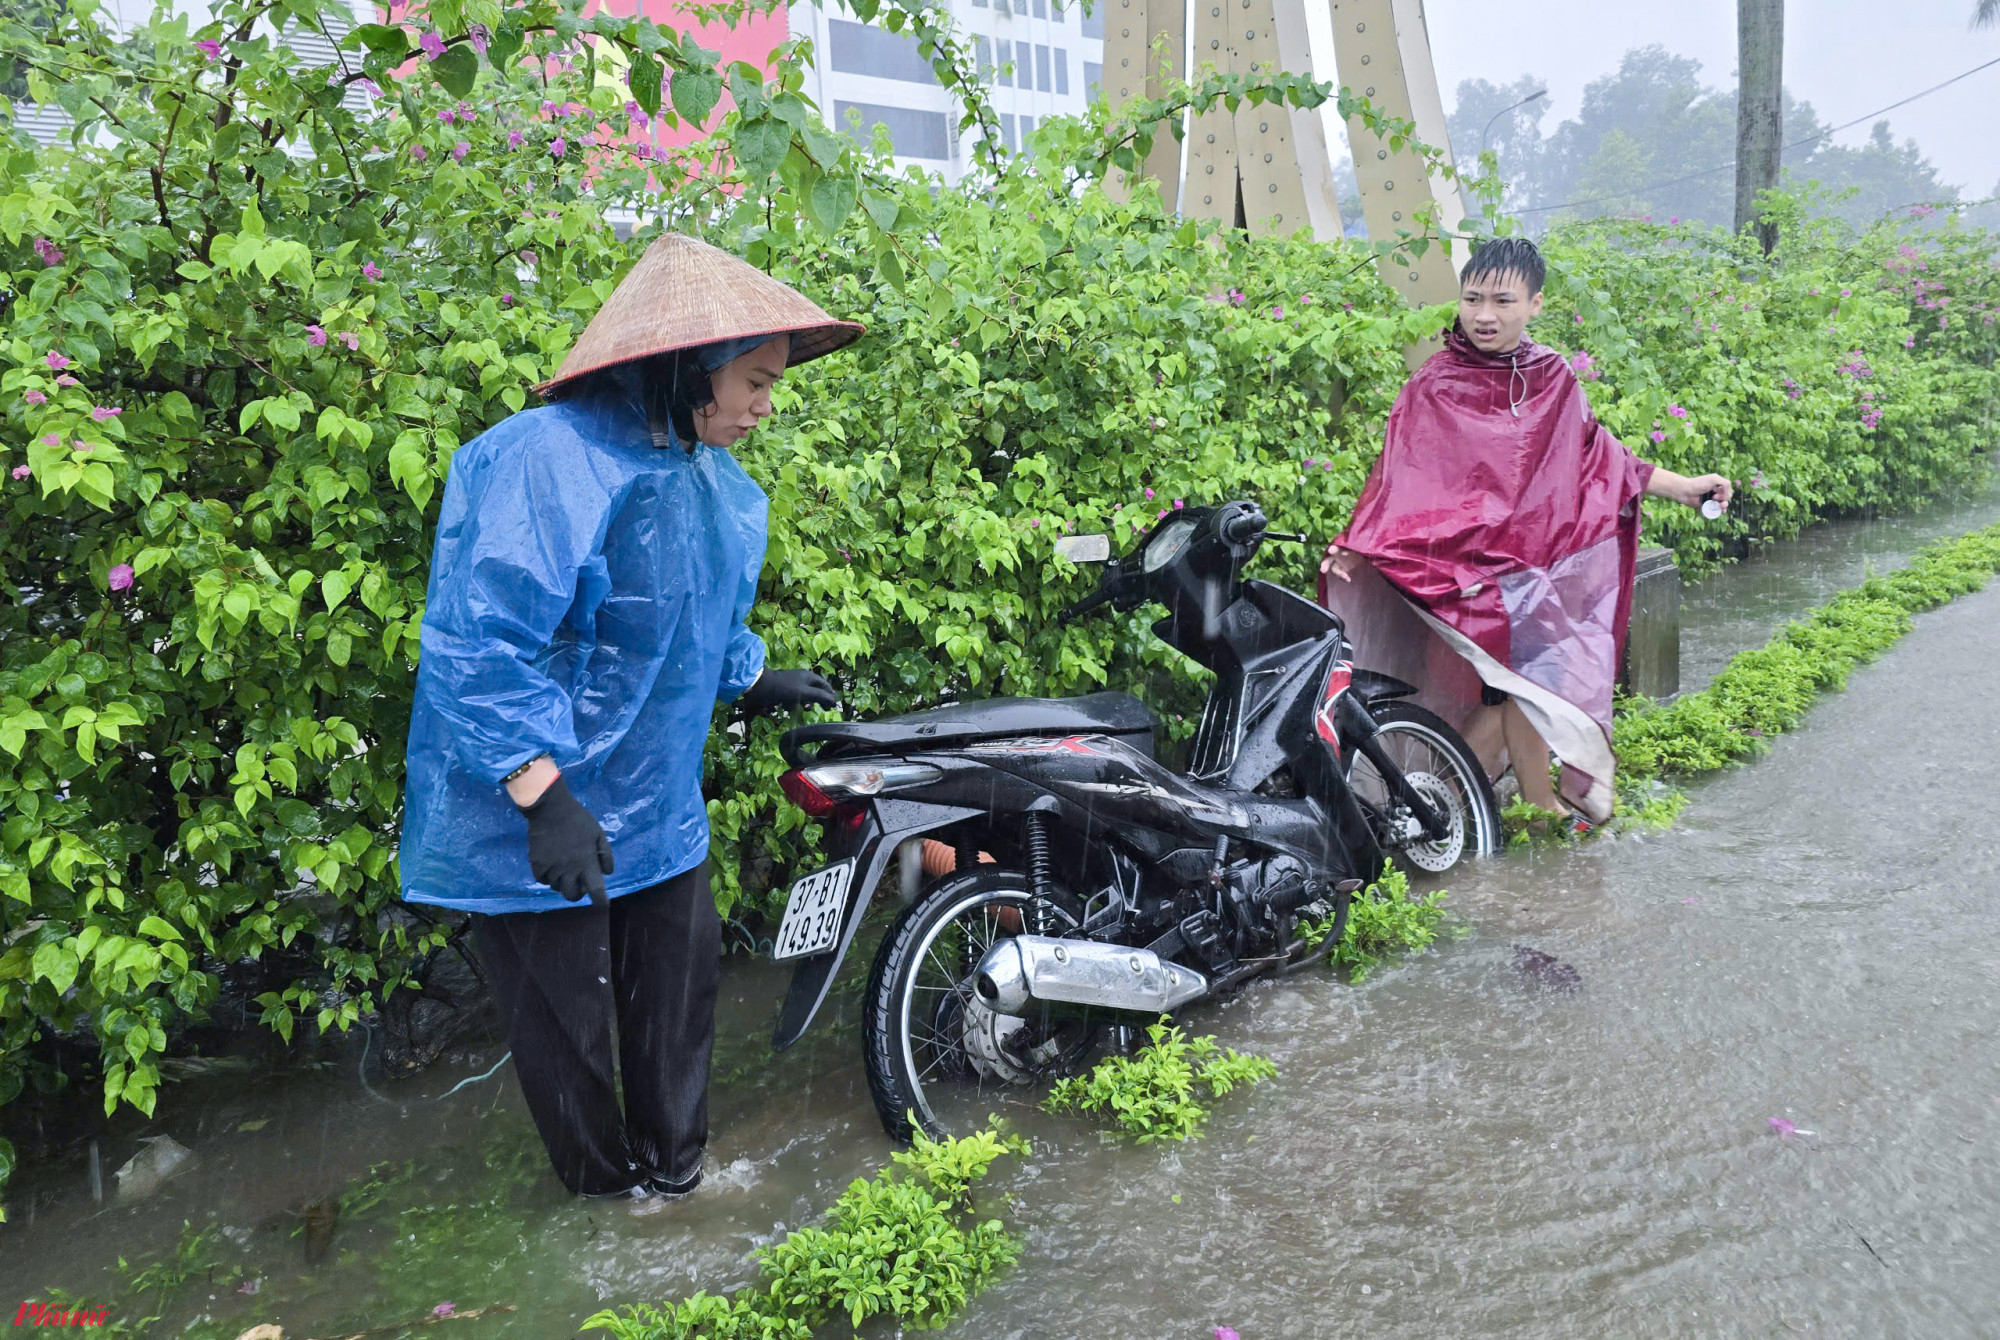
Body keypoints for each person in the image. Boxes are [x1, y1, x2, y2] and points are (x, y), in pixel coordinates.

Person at [397, 234, 862, 1199]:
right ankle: (605, 1211)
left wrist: (751, 674)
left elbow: (688, 621)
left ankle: (676, 1190)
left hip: (657, 805)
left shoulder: (714, 484)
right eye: (756, 381)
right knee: (566, 1041)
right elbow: (480, 645)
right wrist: (542, 794)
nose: (765, 406)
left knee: (677, 1004)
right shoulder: (541, 460)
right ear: (694, 367)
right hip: (532, 814)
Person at [1320, 236, 1731, 828]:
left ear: (1536, 304)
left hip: (1529, 572)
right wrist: (1358, 544)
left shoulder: (1552, 379)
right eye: (1473, 299)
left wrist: (1684, 487)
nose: (1485, 315)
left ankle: (1484, 809)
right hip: (1459, 576)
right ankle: (1481, 810)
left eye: (1503, 301)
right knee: (1508, 688)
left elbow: (1602, 459)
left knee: (1525, 686)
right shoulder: (1434, 384)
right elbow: (1397, 479)